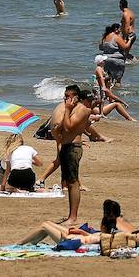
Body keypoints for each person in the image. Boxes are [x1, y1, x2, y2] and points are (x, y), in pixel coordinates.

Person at [51, 85, 93, 224]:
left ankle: (73, 217)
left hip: (73, 147)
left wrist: (67, 110)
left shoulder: (82, 109)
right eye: (65, 96)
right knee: (68, 183)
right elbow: (62, 127)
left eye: (68, 96)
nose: (66, 99)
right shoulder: (74, 109)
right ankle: (70, 215)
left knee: (73, 183)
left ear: (76, 97)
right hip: (66, 145)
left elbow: (69, 127)